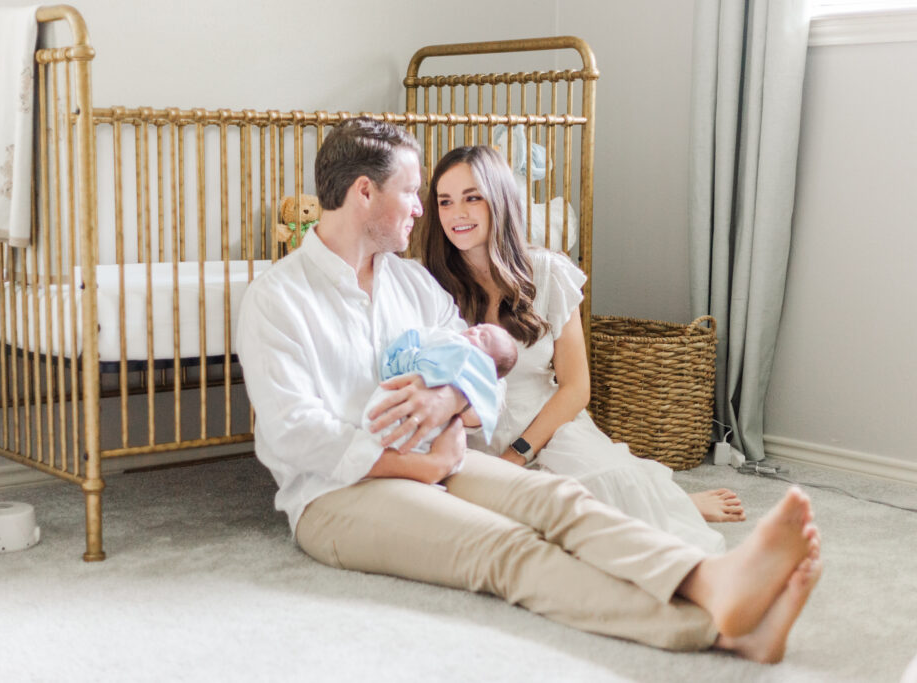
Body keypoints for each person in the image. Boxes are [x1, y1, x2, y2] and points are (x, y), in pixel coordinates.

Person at [236, 116, 821, 662]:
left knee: (556, 499)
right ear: (365, 193)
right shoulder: (277, 297)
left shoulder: (412, 285)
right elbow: (292, 434)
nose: (422, 208)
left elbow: (475, 363)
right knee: (506, 548)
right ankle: (715, 629)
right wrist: (412, 465)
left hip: (438, 457)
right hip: (337, 496)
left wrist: (448, 400)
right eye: (413, 192)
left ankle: (705, 579)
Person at [420, 145, 742, 553]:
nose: (456, 214)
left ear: (498, 201)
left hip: (546, 428)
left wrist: (519, 454)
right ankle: (661, 503)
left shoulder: (548, 273)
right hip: (471, 435)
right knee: (508, 525)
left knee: (608, 488)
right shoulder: (427, 284)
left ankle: (673, 505)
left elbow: (575, 387)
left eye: (472, 198)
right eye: (445, 202)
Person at [362, 323, 517, 456]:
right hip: (397, 392)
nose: (474, 331)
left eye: (483, 339)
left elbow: (493, 391)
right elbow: (425, 336)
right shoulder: (450, 337)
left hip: (436, 434)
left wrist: (458, 395)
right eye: (477, 327)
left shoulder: (473, 365)